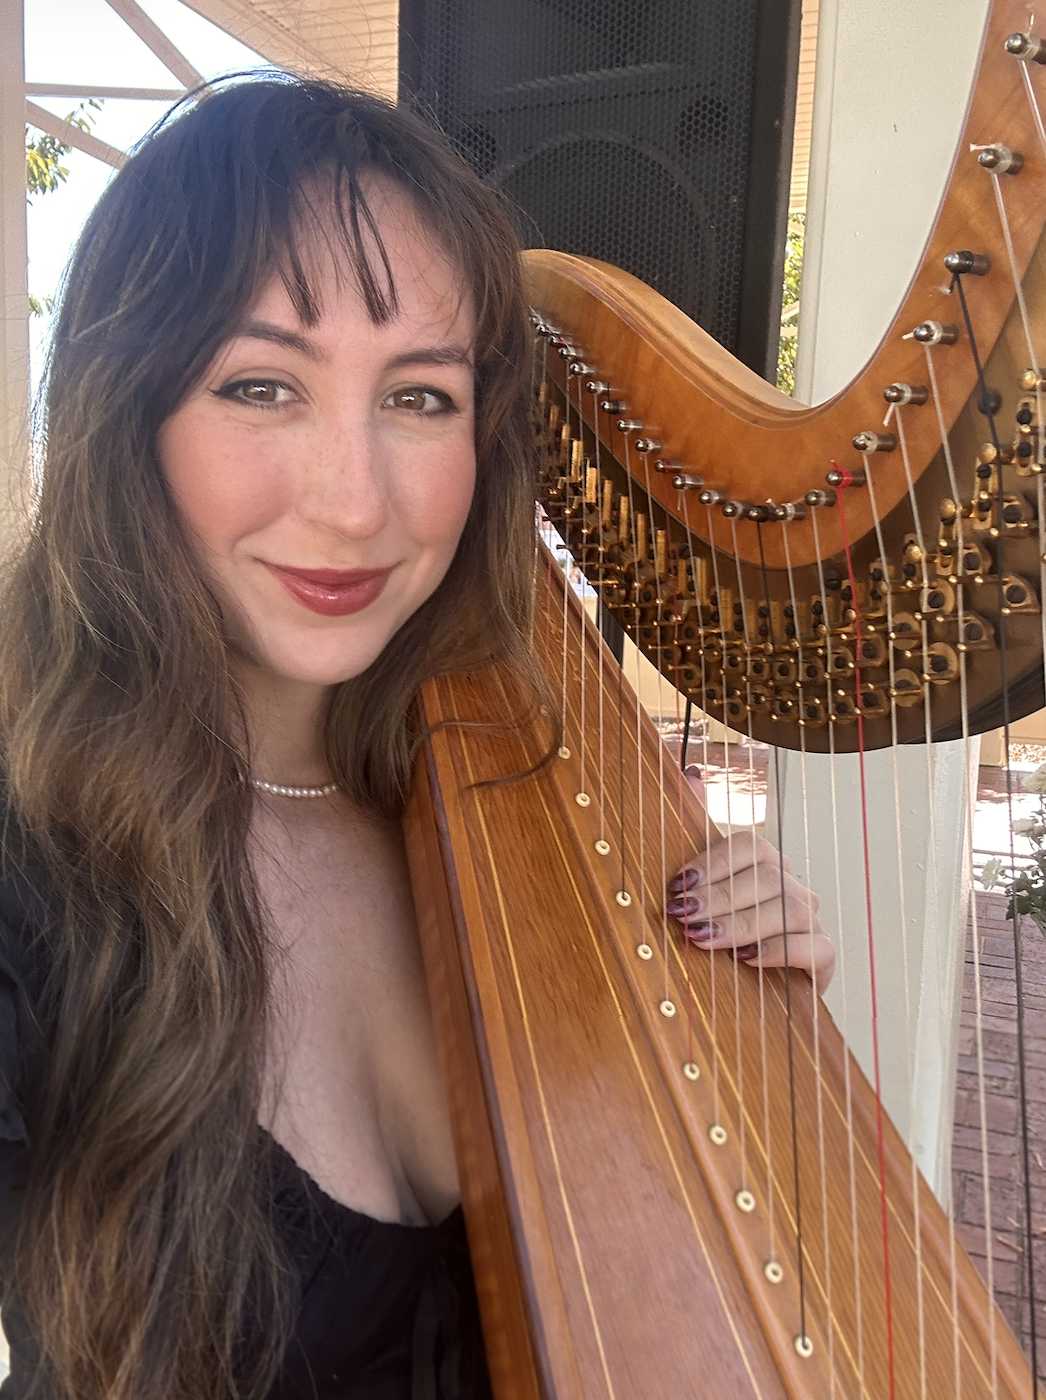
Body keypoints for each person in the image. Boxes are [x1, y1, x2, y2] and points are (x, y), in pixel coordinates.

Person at [0, 75, 834, 1400]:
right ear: (127, 416)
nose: (353, 502)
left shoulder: (507, 793)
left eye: (420, 398)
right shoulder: (32, 869)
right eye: (261, 385)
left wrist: (761, 1029)